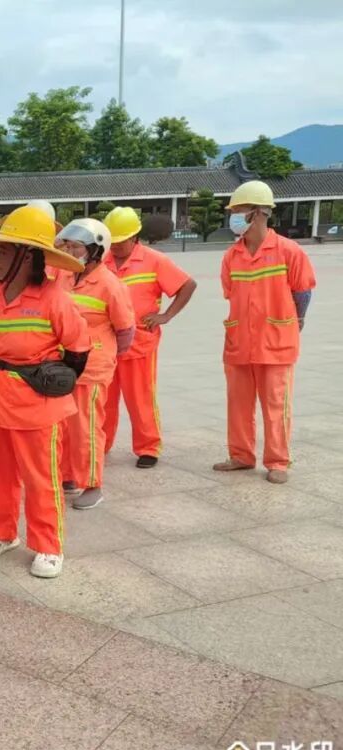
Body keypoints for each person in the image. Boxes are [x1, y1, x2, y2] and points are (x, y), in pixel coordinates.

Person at [0, 206, 90, 579]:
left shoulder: (54, 298)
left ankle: (49, 546)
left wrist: (51, 381)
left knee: (41, 478)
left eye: (5, 251)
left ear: (27, 256)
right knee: (3, 472)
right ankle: (2, 532)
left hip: (36, 402)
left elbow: (79, 350)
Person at [213, 180, 316, 484]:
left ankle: (277, 461)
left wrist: (297, 319)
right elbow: (231, 294)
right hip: (239, 341)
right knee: (238, 403)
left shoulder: (288, 251)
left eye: (239, 210)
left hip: (276, 341)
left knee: (275, 405)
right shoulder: (231, 256)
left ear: (258, 212)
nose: (233, 216)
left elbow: (303, 291)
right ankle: (241, 455)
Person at [102, 206, 197, 468]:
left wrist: (166, 315)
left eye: (121, 241)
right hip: (107, 342)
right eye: (112, 241)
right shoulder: (102, 260)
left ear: (134, 237)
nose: (116, 246)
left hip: (139, 342)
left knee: (140, 398)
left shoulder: (154, 260)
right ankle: (101, 443)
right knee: (104, 399)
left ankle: (148, 447)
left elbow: (187, 285)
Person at [55, 219, 136, 509]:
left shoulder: (109, 284)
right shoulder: (65, 277)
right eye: (67, 246)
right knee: (64, 425)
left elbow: (126, 330)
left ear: (95, 250)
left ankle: (92, 484)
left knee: (86, 428)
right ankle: (68, 475)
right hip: (64, 364)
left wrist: (106, 354)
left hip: (92, 368)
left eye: (76, 247)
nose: (70, 252)